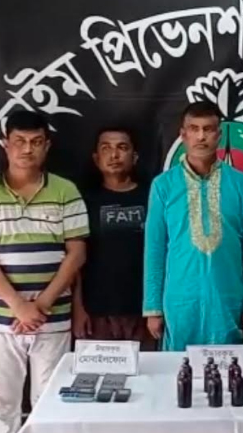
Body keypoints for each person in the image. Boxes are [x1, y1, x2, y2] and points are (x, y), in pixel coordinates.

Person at [0, 111, 89, 433]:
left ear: (47, 145)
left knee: (50, 400)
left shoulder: (66, 190)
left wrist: (41, 305)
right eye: (19, 141)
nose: (27, 149)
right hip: (2, 316)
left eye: (36, 142)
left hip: (53, 314)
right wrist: (19, 306)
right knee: (2, 402)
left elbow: (76, 254)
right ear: (5, 144)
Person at [143, 101, 243, 351]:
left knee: (230, 367)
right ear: (183, 135)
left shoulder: (242, 184)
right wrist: (153, 308)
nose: (201, 137)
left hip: (228, 297)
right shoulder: (163, 186)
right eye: (194, 129)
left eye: (208, 129)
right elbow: (155, 249)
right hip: (179, 300)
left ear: (219, 135)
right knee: (179, 368)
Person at [72, 126, 155, 349]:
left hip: (144, 312)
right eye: (106, 148)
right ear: (96, 158)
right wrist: (78, 308)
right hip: (96, 313)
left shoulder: (153, 196)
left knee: (148, 371)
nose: (114, 155)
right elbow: (76, 260)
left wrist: (157, 309)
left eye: (122, 148)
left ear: (134, 157)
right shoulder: (83, 201)